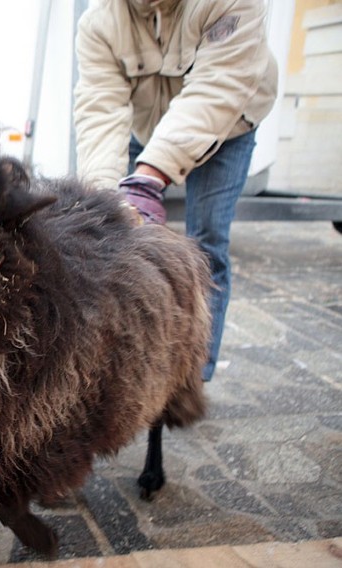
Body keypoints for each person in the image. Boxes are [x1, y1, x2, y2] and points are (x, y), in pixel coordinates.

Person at [73, 0, 278, 381]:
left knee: (207, 243)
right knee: (111, 241)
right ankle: (123, 371)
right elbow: (100, 109)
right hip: (148, 127)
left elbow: (218, 89)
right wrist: (106, 199)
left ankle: (192, 376)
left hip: (229, 123)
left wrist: (148, 179)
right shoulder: (100, 21)